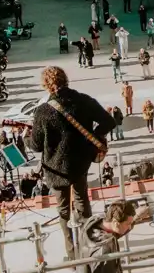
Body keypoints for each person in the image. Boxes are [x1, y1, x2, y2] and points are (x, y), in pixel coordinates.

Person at [31, 66, 114, 258]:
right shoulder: (83, 101)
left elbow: (35, 146)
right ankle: (89, 246)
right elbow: (109, 122)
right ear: (66, 80)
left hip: (56, 168)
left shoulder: (43, 111)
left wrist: (28, 136)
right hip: (80, 162)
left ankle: (72, 252)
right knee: (82, 202)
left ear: (47, 86)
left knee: (63, 211)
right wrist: (92, 137)